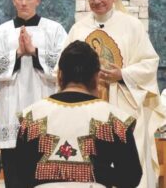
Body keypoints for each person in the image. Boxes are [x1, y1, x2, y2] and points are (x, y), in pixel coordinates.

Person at [65, 0, 165, 187]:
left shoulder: (132, 26)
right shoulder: (78, 29)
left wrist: (122, 74)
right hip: (86, 110)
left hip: (123, 106)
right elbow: (61, 70)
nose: (97, 0)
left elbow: (150, 63)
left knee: (125, 166)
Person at [16, 41, 142, 188]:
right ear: (96, 77)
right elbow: (131, 177)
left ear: (60, 76)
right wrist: (98, 174)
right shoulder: (115, 119)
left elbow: (21, 174)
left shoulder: (31, 117)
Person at [0, 0, 67, 187]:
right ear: (13, 1)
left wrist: (35, 53)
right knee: (15, 177)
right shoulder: (1, 32)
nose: (24, 2)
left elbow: (65, 64)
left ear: (38, 0)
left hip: (46, 107)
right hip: (12, 110)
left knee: (46, 178)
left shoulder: (54, 30)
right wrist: (18, 53)